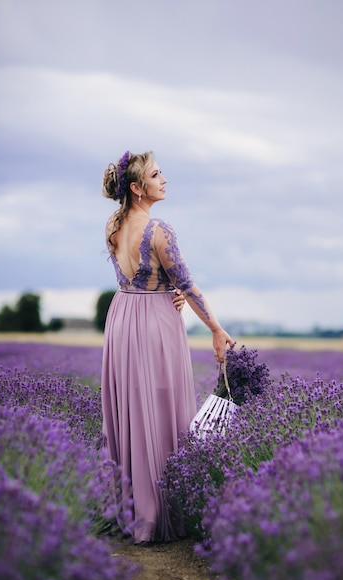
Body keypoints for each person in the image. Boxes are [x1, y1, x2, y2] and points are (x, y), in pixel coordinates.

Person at [101, 150, 234, 545]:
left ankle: (133, 509)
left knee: (132, 409)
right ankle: (159, 510)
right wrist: (215, 327)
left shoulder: (114, 224)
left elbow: (144, 277)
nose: (165, 180)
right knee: (161, 409)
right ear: (138, 188)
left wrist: (166, 291)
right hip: (155, 324)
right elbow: (188, 284)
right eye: (157, 175)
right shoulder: (159, 229)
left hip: (123, 317)